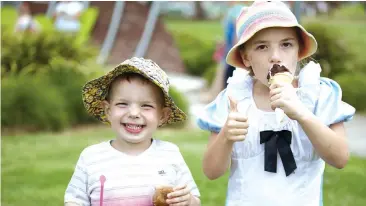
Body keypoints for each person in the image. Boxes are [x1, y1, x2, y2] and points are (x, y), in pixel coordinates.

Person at [196, 1, 355, 206]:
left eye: (286, 44)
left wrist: (301, 113)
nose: (275, 56)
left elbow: (340, 158)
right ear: (246, 57)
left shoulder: (318, 95)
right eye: (262, 47)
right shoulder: (234, 100)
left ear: (299, 50)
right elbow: (211, 172)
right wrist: (226, 136)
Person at [64, 57, 201, 206]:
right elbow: (74, 201)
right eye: (123, 104)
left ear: (162, 116)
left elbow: (193, 200)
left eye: (146, 106)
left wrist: (188, 201)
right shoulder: (91, 158)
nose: (134, 113)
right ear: (108, 110)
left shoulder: (170, 154)